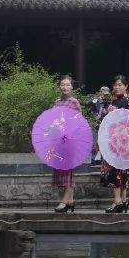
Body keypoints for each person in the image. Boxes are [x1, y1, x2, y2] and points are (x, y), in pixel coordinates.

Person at [101, 75, 129, 213]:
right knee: (120, 170)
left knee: (117, 171)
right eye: (115, 85)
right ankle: (123, 200)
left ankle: (117, 201)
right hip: (113, 141)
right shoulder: (114, 101)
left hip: (121, 142)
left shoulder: (126, 102)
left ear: (126, 86)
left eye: (121, 84)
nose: (117, 87)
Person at [51, 75, 82, 213]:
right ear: (59, 87)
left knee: (68, 171)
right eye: (62, 84)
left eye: (67, 85)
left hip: (70, 139)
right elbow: (52, 119)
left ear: (72, 86)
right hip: (59, 139)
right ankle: (70, 201)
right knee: (61, 170)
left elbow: (77, 121)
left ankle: (64, 201)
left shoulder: (74, 102)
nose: (65, 87)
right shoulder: (57, 102)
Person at [89, 85, 112, 166]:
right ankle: (92, 159)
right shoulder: (95, 101)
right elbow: (90, 110)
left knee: (104, 142)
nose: (105, 95)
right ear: (100, 92)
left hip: (105, 124)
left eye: (107, 94)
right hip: (96, 124)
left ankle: (103, 159)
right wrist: (95, 116)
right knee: (94, 142)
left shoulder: (109, 102)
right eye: (104, 93)